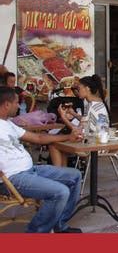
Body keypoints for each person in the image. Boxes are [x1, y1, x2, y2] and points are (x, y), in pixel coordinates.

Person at [0, 86, 83, 233]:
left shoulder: (8, 124)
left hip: (31, 170)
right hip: (12, 178)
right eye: (16, 103)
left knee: (75, 175)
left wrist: (68, 137)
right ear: (6, 104)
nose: (18, 106)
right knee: (60, 192)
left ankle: (60, 224)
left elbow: (38, 137)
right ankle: (35, 233)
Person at [50, 74, 110, 167]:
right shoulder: (96, 103)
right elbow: (85, 121)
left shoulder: (92, 107)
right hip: (98, 141)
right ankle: (63, 173)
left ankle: (59, 173)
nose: (77, 91)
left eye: (79, 88)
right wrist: (73, 113)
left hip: (93, 145)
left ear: (87, 88)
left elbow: (78, 131)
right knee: (62, 144)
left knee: (53, 145)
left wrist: (63, 117)